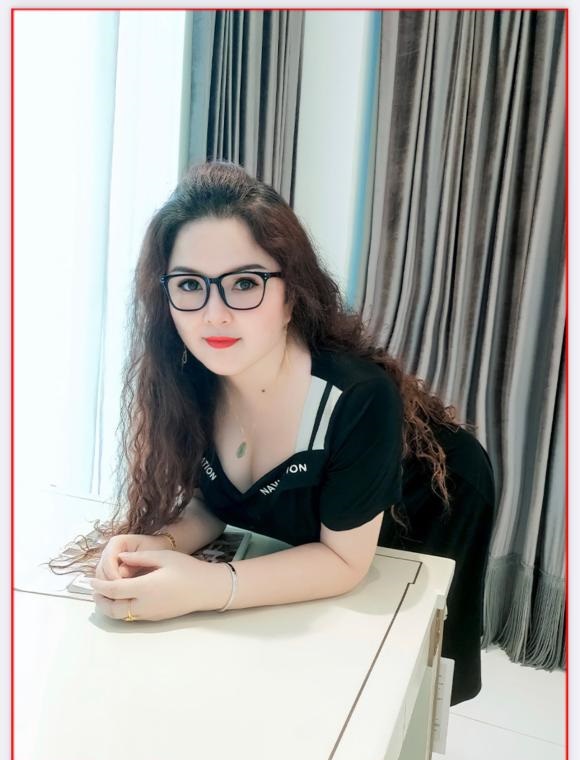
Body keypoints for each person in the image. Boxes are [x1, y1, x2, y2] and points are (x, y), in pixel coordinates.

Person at [50, 160, 495, 706]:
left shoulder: (355, 398)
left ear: (291, 296)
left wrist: (207, 586)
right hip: (332, 533)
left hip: (428, 503)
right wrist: (159, 545)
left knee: (395, 683)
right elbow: (217, 500)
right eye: (189, 285)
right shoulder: (191, 377)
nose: (214, 315)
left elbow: (343, 561)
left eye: (244, 283)